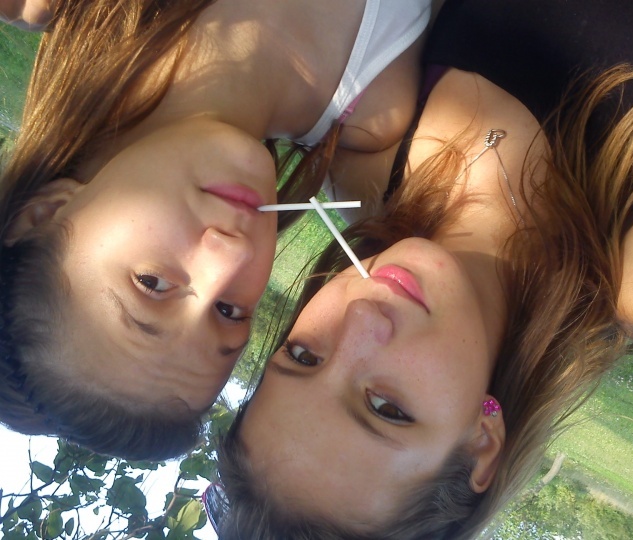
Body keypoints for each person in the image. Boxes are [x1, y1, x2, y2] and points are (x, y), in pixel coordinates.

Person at [212, 0, 633, 537]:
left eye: (303, 355)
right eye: (386, 407)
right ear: (480, 442)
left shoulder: (362, 150)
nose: (360, 319)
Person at [0, 0, 434, 460]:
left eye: (152, 283)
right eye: (229, 311)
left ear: (45, 213)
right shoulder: (374, 130)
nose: (232, 256)